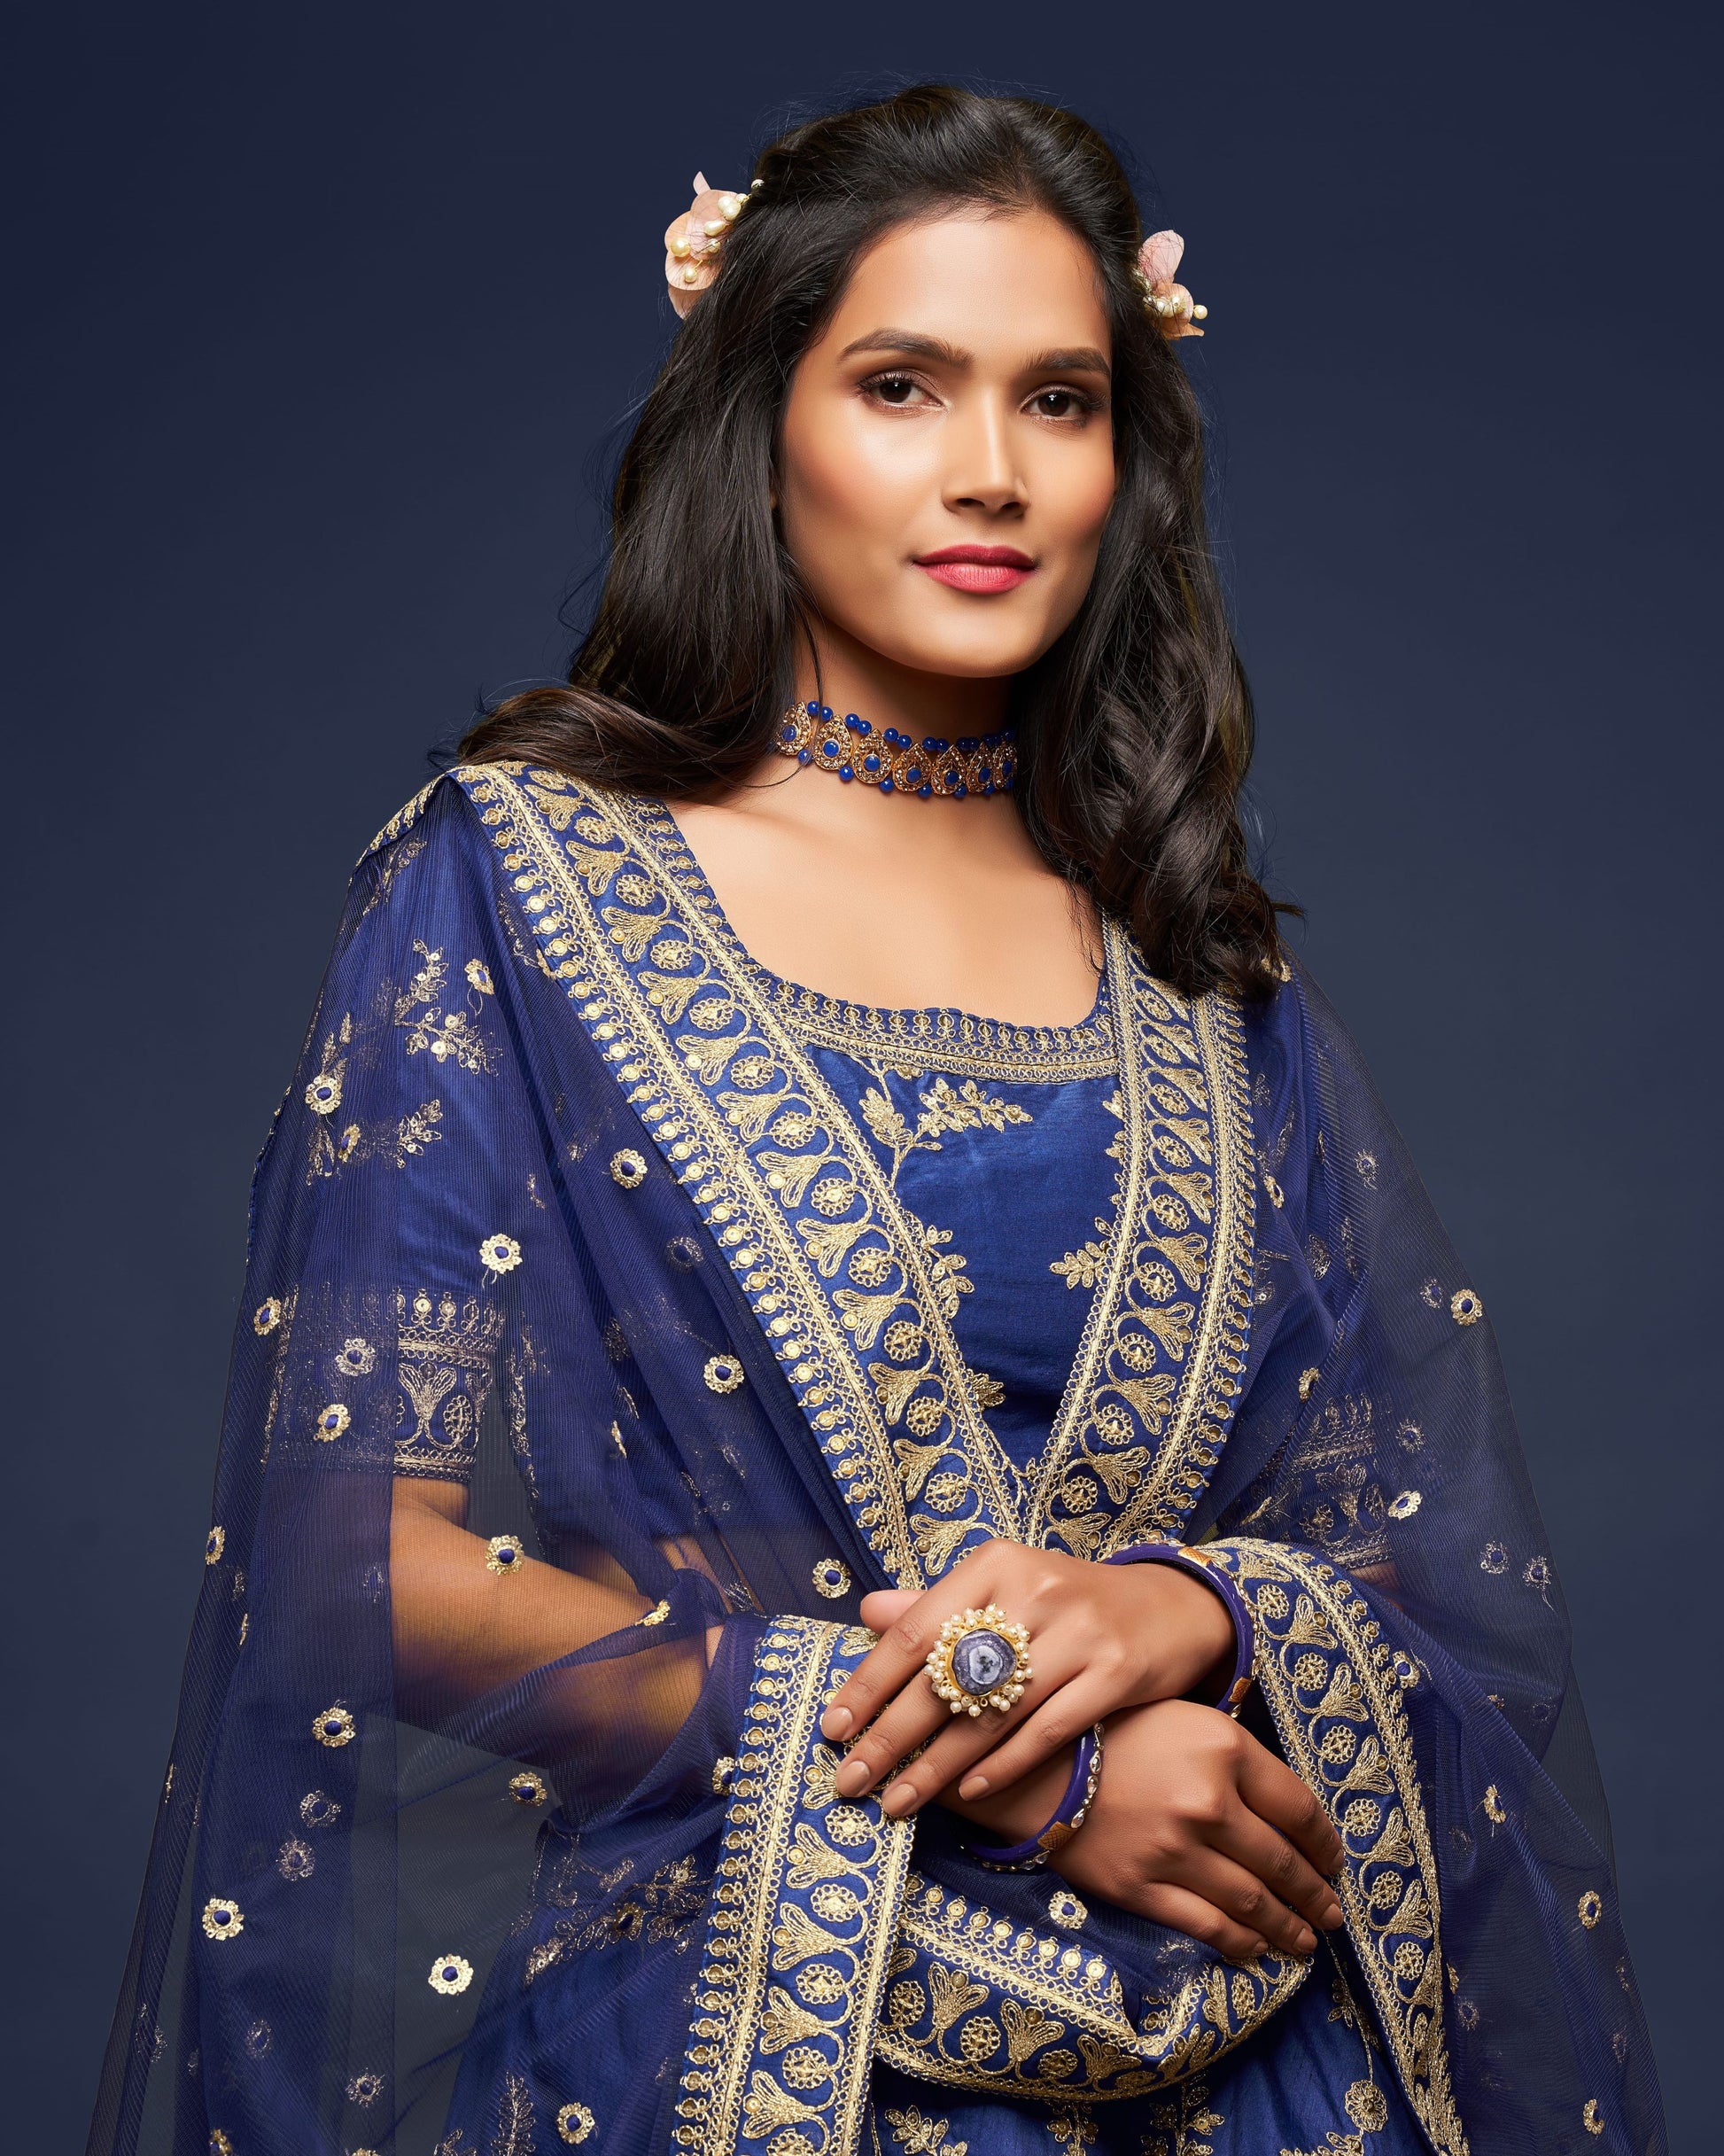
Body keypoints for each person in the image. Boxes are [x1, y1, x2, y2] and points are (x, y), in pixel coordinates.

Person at [88, 84, 1665, 2156]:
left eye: (1062, 398)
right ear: (762, 415)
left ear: (1130, 454)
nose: (991, 473)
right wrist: (1030, 1756)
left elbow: (1420, 1561)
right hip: (737, 2051)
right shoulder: (514, 889)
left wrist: (1191, 1606)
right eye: (903, 385)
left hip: (1266, 2062)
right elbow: (353, 1573)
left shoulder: (1195, 967)